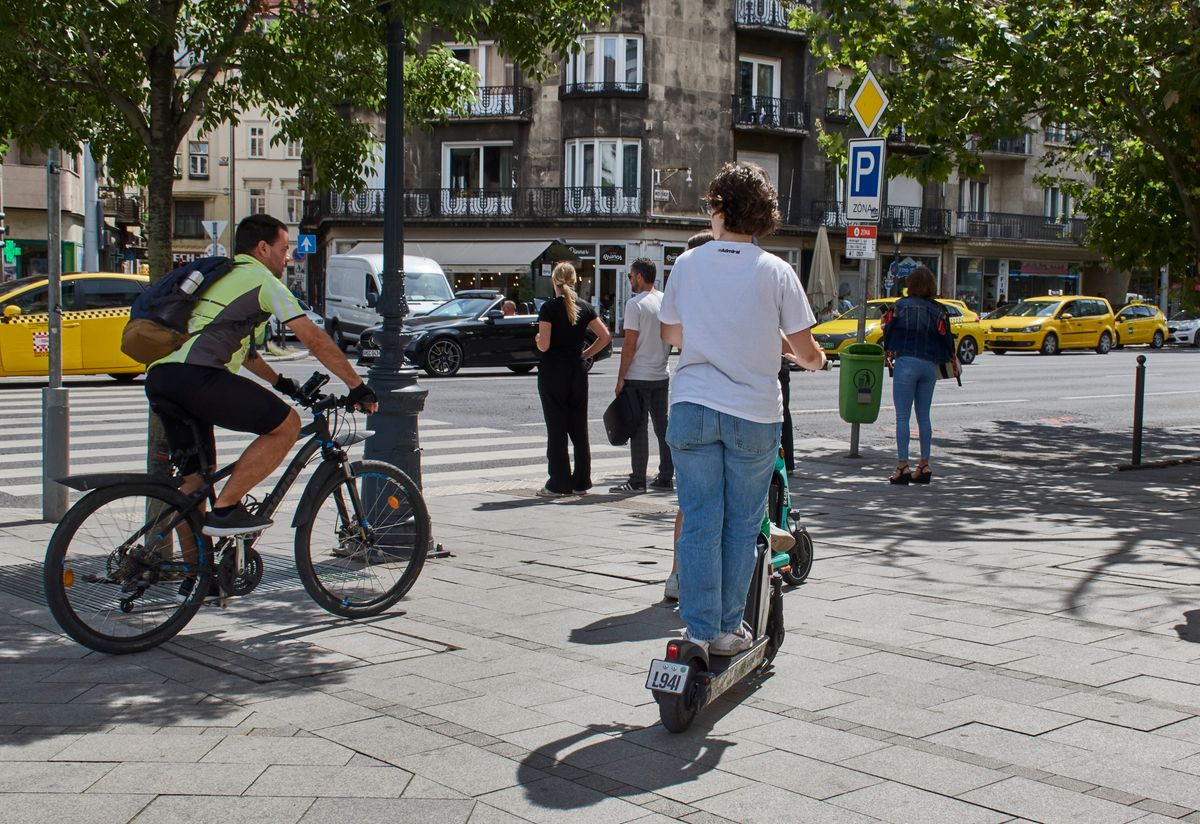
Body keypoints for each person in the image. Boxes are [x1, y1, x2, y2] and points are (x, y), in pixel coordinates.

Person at [660, 162, 826, 653]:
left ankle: (697, 630)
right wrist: (808, 361)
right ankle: (728, 630)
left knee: (698, 518)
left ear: (719, 209)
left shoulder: (688, 264)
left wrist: (713, 335)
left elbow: (671, 333)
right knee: (740, 526)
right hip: (753, 413)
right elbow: (807, 348)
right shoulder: (776, 270)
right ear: (762, 216)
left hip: (692, 405)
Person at [144, 214, 378, 544]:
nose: (287, 257)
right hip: (197, 375)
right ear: (263, 248)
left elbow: (246, 353)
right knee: (286, 425)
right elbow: (313, 338)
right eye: (284, 249)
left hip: (163, 376)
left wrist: (281, 382)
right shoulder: (261, 280)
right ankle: (226, 508)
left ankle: (198, 579)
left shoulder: (224, 277)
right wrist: (357, 385)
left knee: (194, 486)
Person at [534, 262, 612, 497]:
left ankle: (558, 482)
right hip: (577, 371)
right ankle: (581, 481)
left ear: (554, 281)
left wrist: (537, 338)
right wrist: (586, 354)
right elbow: (605, 336)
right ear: (575, 280)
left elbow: (545, 345)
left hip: (553, 372)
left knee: (556, 426)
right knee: (579, 427)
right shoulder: (585, 307)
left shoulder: (549, 308)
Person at [880, 265, 956, 485]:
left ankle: (903, 466)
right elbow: (946, 339)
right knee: (924, 416)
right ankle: (924, 464)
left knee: (902, 417)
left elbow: (889, 331)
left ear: (910, 285)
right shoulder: (939, 309)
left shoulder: (900, 306)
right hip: (928, 365)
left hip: (906, 362)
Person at [611, 257, 674, 495]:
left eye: (630, 276)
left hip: (638, 375)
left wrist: (620, 378)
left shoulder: (635, 304)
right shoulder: (666, 301)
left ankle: (638, 480)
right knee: (662, 427)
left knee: (639, 429)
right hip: (660, 374)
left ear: (639, 276)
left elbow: (629, 344)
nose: (630, 280)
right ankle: (666, 476)